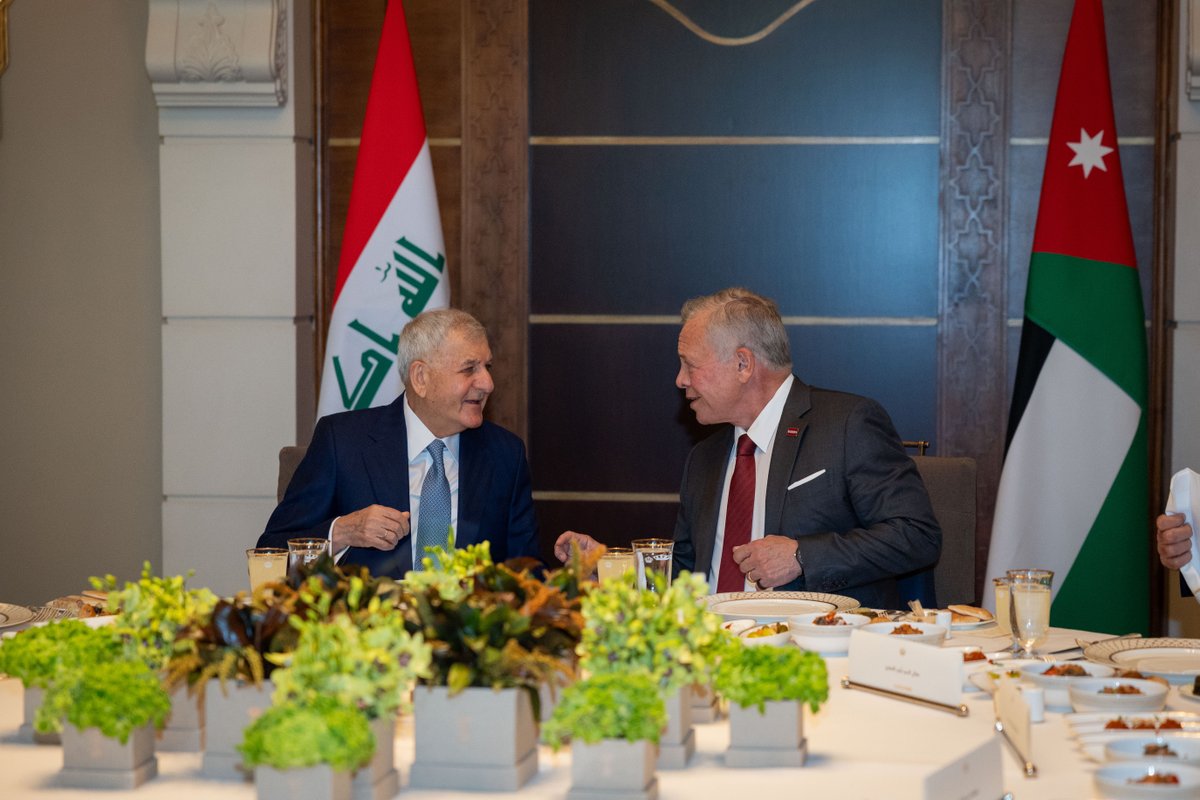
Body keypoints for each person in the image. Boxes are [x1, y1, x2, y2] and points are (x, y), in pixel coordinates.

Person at [555, 287, 941, 608]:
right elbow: (688, 573)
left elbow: (916, 535)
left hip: (812, 648)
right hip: (706, 653)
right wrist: (610, 569)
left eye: (690, 365)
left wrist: (801, 556)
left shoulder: (846, 423)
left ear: (743, 364)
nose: (679, 380)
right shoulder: (704, 457)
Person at [259, 308, 539, 578]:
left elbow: (526, 571)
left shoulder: (505, 454)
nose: (487, 383)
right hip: (368, 620)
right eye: (469, 369)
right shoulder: (343, 442)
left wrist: (576, 569)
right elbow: (271, 554)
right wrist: (343, 531)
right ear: (421, 378)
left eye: (487, 367)